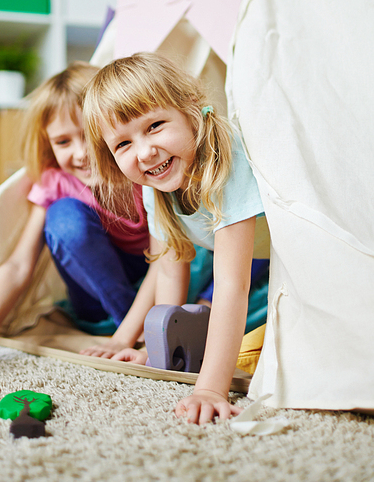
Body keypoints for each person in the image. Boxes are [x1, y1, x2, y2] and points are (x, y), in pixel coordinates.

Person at [0, 62, 151, 381]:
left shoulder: (142, 165)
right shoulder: (56, 182)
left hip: (159, 280)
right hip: (100, 303)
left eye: (89, 134)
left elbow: (176, 255)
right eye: (63, 142)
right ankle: (140, 331)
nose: (81, 153)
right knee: (64, 217)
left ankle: (152, 325)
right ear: (48, 144)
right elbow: (16, 267)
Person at [82, 52, 268, 424]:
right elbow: (168, 271)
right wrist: (153, 350)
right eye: (123, 144)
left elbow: (233, 284)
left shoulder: (225, 158)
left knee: (264, 336)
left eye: (154, 126)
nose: (145, 151)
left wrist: (210, 389)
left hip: (273, 266)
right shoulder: (156, 180)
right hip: (239, 263)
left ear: (190, 109)